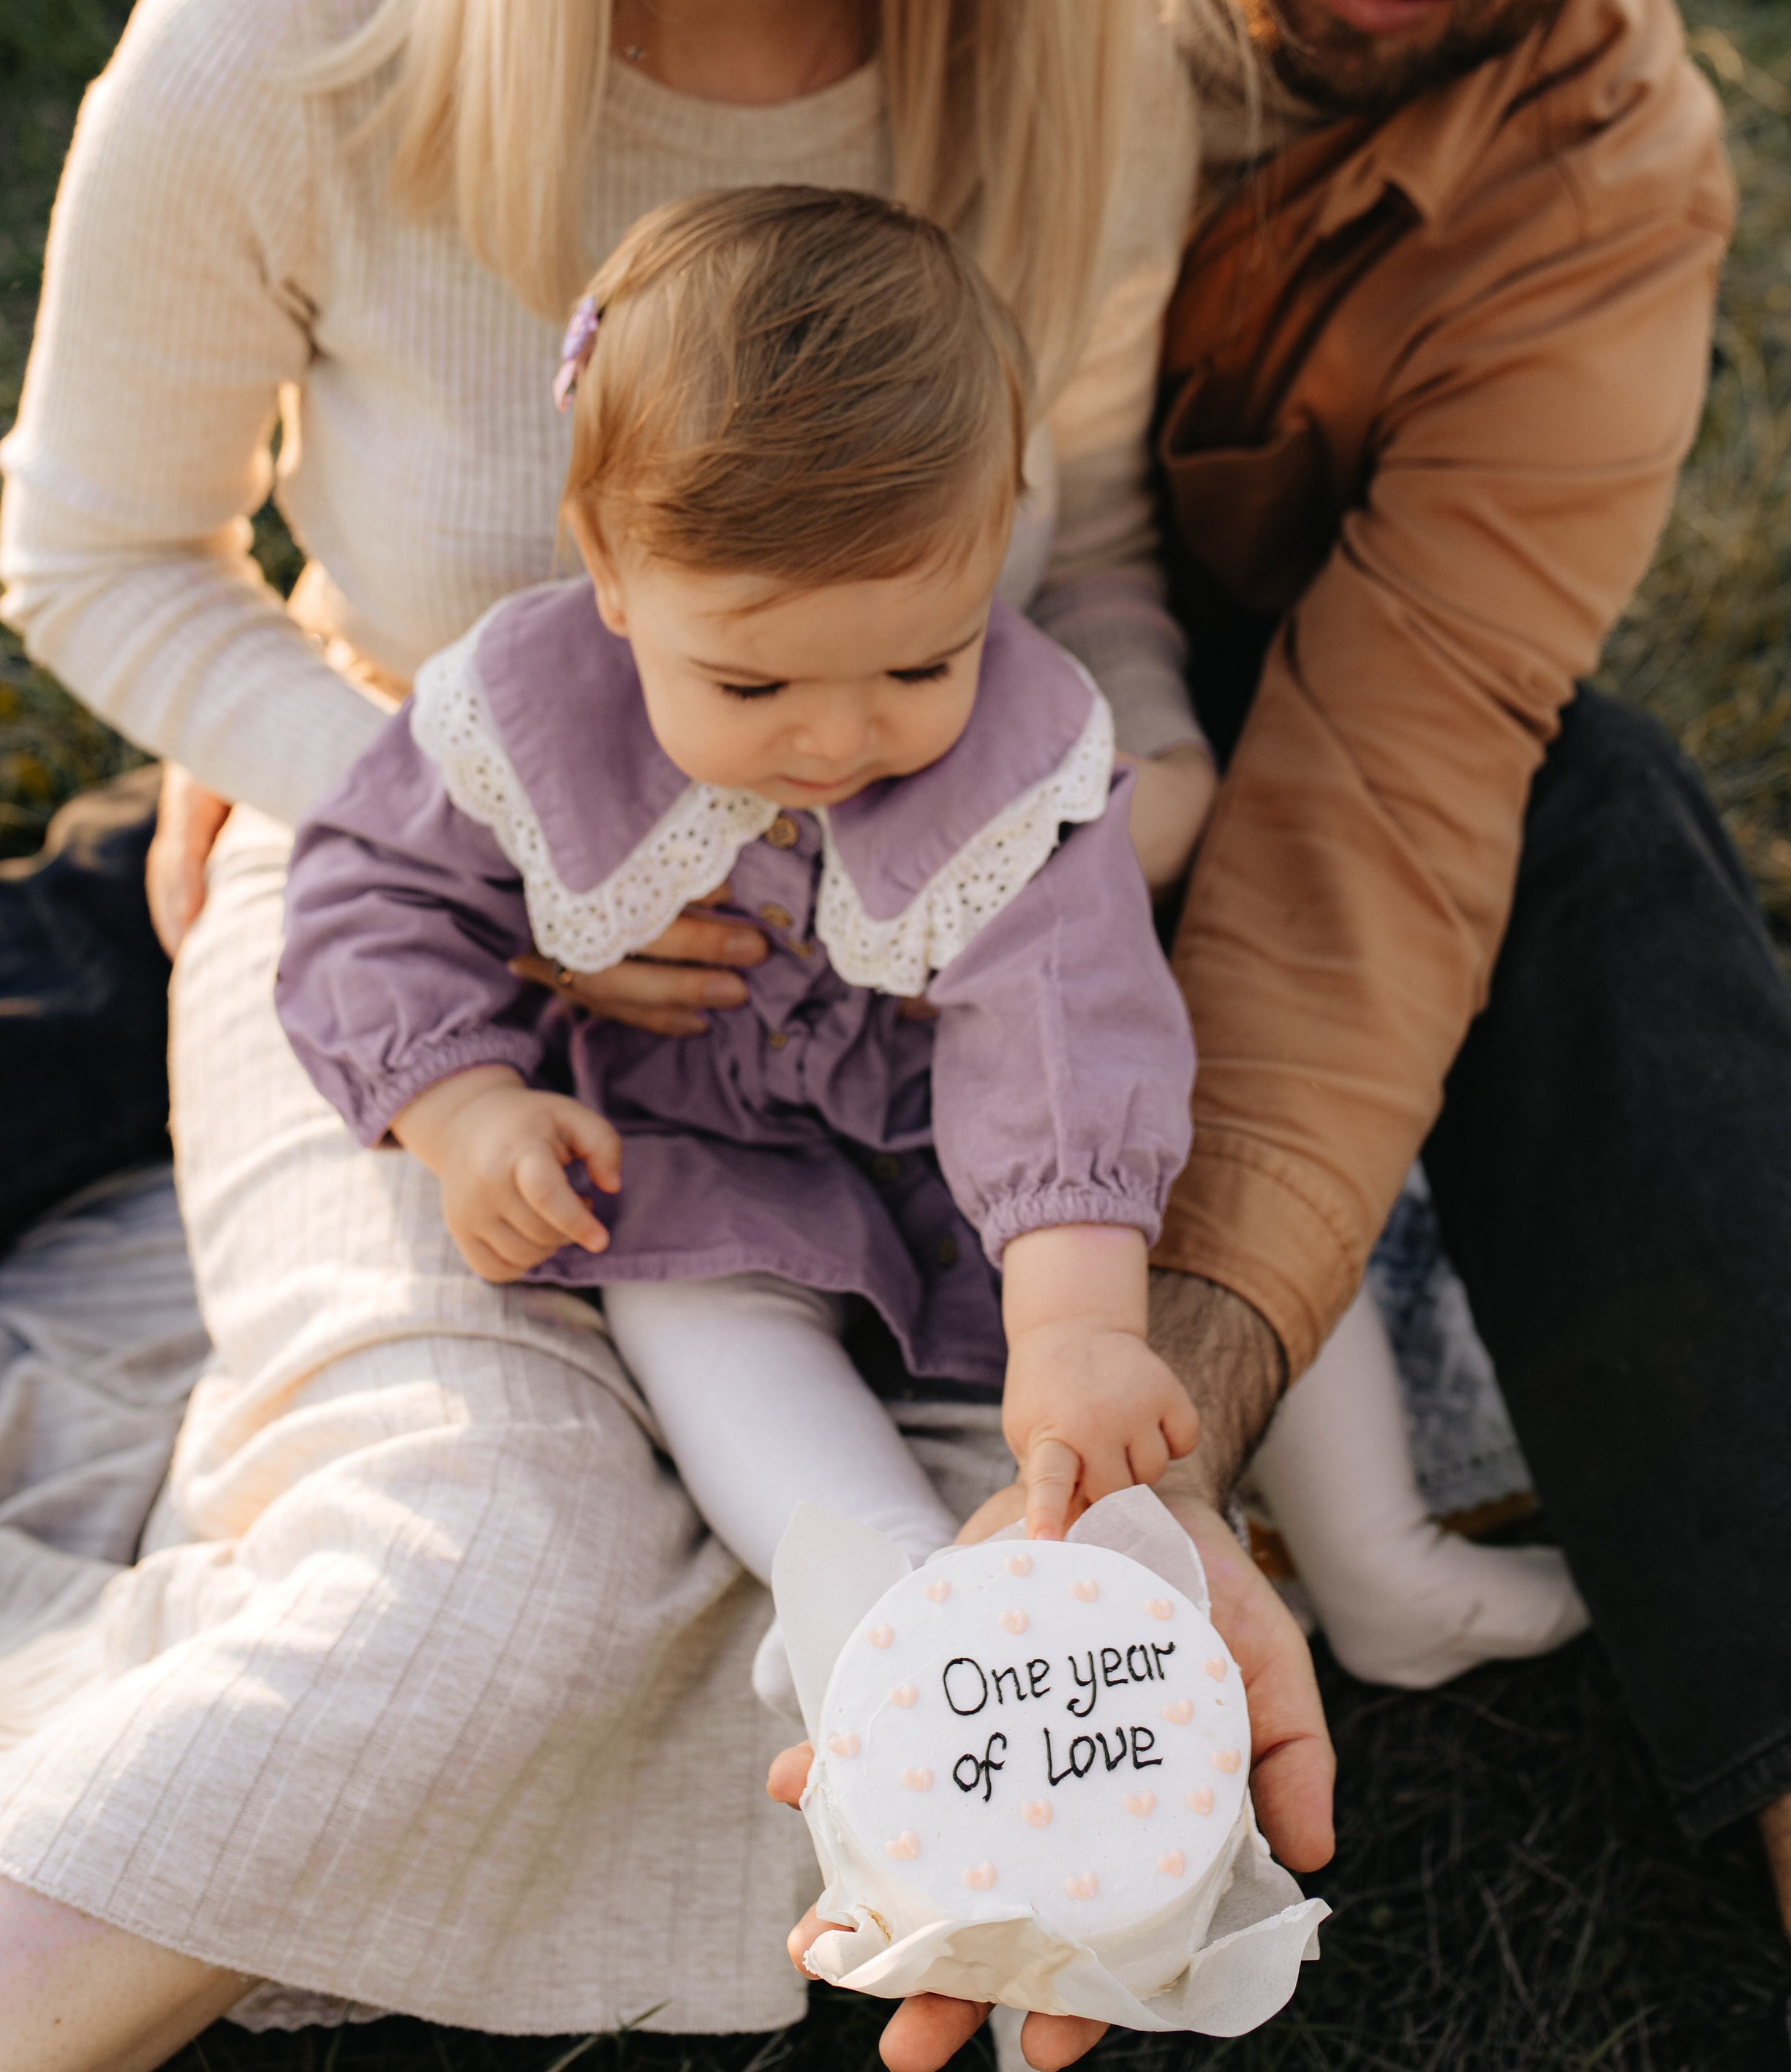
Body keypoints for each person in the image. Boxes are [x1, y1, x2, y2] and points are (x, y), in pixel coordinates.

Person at [0, 0, 1333, 2062]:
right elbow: (95, 554)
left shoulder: (1064, 49)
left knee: (955, 1639)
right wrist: (455, 815)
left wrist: (1129, 822)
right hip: (416, 963)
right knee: (494, 1586)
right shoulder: (291, 39)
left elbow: (1067, 550)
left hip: (882, 1006)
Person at [1123, 0, 1791, 2072]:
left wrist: (1162, 1407)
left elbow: (1389, 796)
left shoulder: (1608, 178)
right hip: (735, 656)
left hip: (1234, 701)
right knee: (213, 908)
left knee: (1585, 829)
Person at [276, 184, 1202, 1659]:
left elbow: (1065, 1024)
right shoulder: (532, 704)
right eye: (755, 688)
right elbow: (363, 895)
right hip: (694, 1151)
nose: (835, 742)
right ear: (608, 567)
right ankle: (880, 1599)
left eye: (918, 666)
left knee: (1176, 1282)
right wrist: (465, 1115)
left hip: (963, 1162)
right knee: (702, 1318)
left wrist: (1075, 1323)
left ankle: (1369, 1554)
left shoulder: (1023, 750)